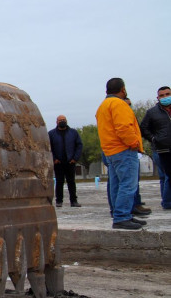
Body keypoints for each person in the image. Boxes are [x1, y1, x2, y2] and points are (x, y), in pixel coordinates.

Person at [95, 78, 146, 230]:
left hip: (110, 151)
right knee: (128, 185)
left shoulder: (103, 106)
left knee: (116, 185)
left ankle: (121, 215)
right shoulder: (118, 104)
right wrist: (134, 143)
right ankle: (122, 216)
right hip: (124, 149)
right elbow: (124, 127)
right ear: (123, 89)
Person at [140, 86, 171, 210]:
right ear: (157, 98)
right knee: (166, 176)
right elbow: (143, 128)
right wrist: (154, 139)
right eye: (162, 95)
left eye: (167, 94)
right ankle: (167, 202)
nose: (165, 97)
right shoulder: (152, 112)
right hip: (161, 149)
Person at [48, 115, 83, 207]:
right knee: (59, 182)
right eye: (60, 120)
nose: (62, 121)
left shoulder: (73, 133)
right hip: (58, 162)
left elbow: (79, 146)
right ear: (57, 122)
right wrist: (54, 159)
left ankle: (74, 201)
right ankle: (59, 201)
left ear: (66, 121)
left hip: (70, 161)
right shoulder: (51, 134)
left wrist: (75, 158)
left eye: (63, 120)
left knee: (71, 182)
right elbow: (48, 147)